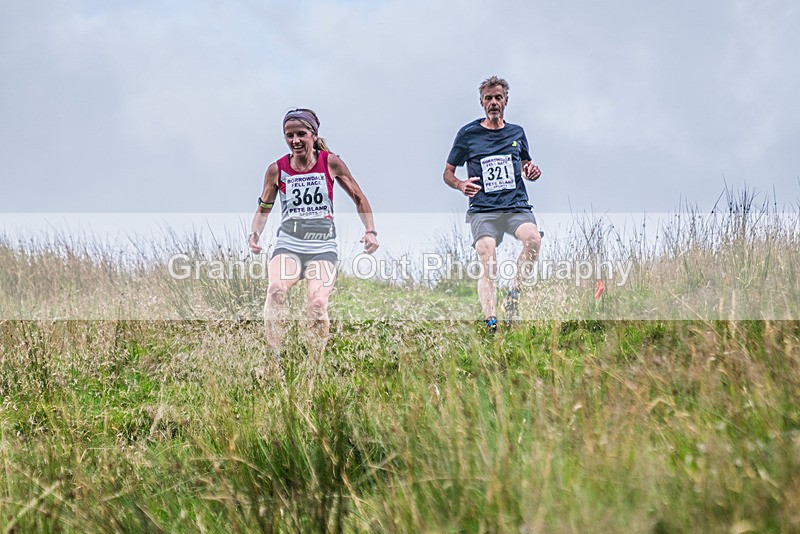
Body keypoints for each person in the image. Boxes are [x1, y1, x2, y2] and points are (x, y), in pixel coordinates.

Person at [249, 108, 379, 371]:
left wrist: (370, 230)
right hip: (289, 243)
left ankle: (315, 366)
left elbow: (359, 197)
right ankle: (275, 359)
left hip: (322, 246)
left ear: (313, 135)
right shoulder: (277, 169)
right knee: (275, 291)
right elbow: (265, 206)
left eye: (301, 134)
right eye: (289, 136)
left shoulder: (330, 163)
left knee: (317, 304)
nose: (295, 140)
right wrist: (255, 233)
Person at [443, 76, 542, 332]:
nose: (494, 102)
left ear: (506, 100)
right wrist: (460, 184)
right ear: (481, 102)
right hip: (483, 210)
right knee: (487, 255)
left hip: (515, 206)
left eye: (498, 97)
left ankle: (514, 294)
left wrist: (530, 171)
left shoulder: (517, 133)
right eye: (488, 98)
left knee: (533, 240)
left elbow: (525, 164)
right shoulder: (468, 134)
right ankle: (491, 321)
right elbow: (447, 173)